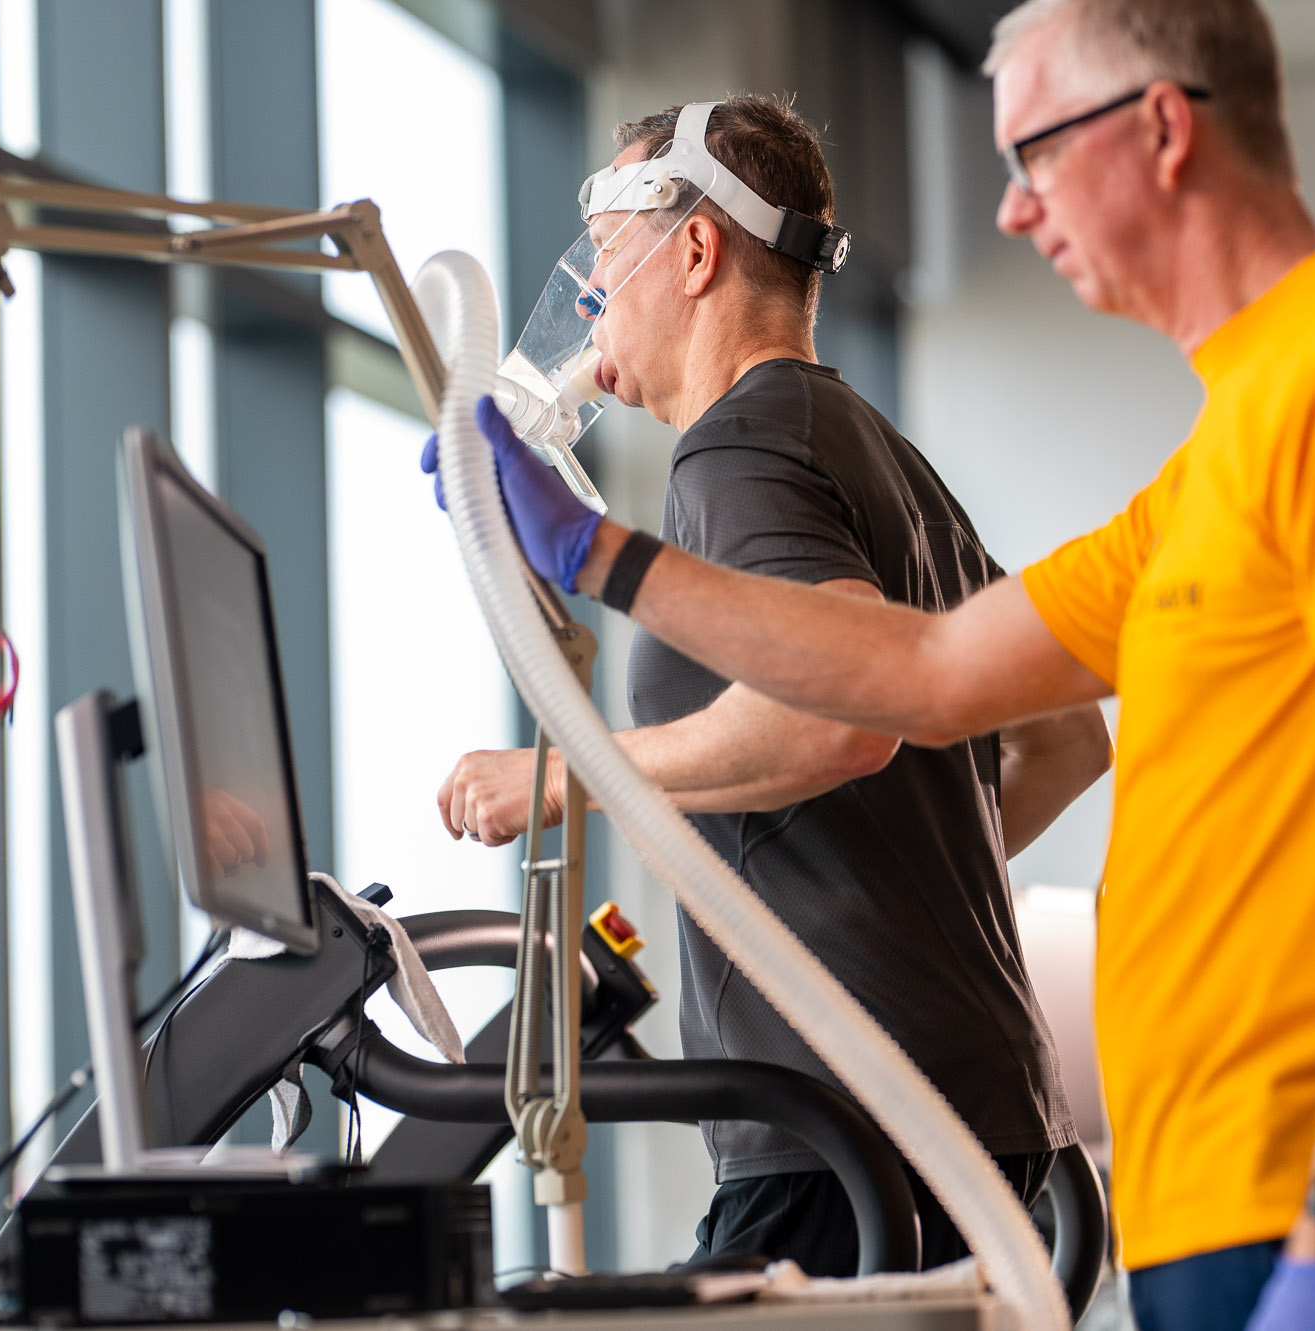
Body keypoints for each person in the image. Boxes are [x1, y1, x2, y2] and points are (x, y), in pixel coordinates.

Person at [465, 2, 1315, 1327]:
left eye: (1035, 152)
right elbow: (928, 671)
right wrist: (595, 550)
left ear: (1163, 129)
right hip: (1203, 1199)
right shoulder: (1209, 465)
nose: (1010, 210)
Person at [428, 96, 1107, 1275]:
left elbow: (833, 720)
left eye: (604, 258)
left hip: (843, 1124)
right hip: (973, 1105)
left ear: (693, 253)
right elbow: (1064, 737)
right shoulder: (873, 448)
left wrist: (556, 779)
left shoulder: (735, 444)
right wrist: (890, 877)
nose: (588, 299)